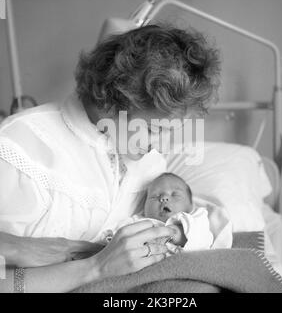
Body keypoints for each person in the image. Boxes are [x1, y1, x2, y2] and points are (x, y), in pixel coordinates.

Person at [0, 24, 221, 292]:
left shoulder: (151, 168)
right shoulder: (20, 149)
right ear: (114, 101)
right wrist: (96, 268)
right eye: (153, 130)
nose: (158, 145)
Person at [101, 172, 232, 255]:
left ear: (190, 205)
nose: (163, 198)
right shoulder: (137, 221)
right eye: (154, 196)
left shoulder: (196, 218)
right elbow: (119, 236)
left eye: (175, 194)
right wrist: (110, 238)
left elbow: (204, 240)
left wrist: (179, 234)